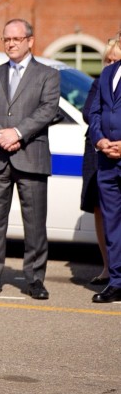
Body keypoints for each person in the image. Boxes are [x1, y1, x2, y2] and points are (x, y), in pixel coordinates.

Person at [0, 19, 59, 300]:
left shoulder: (48, 75)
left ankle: (34, 279)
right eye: (6, 39)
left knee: (34, 224)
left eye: (16, 39)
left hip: (30, 156)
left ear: (30, 41)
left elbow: (48, 109)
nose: (10, 44)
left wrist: (18, 132)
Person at [81, 38, 120, 286]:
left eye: (116, 58)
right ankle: (111, 272)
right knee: (105, 213)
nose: (111, 63)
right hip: (101, 153)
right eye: (108, 59)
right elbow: (90, 112)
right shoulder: (103, 79)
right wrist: (101, 140)